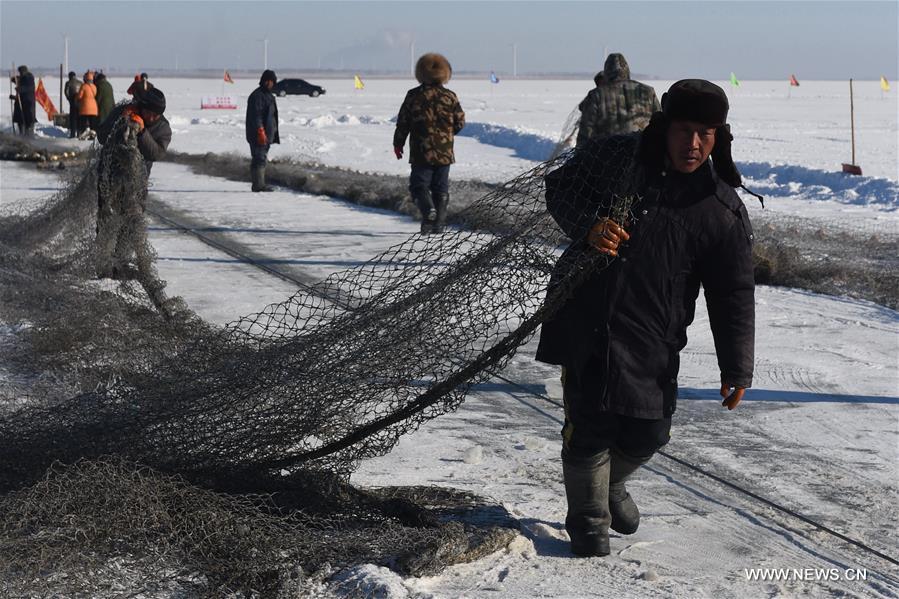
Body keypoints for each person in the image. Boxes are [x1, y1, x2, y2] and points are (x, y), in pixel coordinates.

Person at [536, 79, 755, 557]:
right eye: (683, 130)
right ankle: (589, 522)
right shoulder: (617, 158)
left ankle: (610, 488)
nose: (693, 144)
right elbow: (562, 188)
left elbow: (732, 294)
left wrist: (737, 367)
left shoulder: (720, 211)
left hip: (653, 337)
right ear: (663, 128)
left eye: (706, 133)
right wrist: (589, 225)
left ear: (720, 136)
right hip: (586, 319)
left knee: (649, 431)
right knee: (589, 428)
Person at [393, 52, 465, 234]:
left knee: (419, 186)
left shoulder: (413, 95)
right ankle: (438, 224)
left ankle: (428, 212)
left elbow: (403, 122)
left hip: (420, 150)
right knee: (440, 187)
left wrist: (398, 143)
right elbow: (460, 122)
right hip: (445, 151)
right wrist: (447, 136)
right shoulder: (450, 96)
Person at [575, 53, 660, 148]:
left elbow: (585, 133)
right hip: (641, 153)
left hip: (606, 157)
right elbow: (660, 124)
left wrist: (580, 156)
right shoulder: (648, 92)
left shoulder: (596, 95)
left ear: (606, 72)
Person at [97, 87, 171, 176]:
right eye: (147, 112)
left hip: (138, 178)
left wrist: (142, 132)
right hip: (109, 172)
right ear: (141, 107)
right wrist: (121, 120)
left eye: (155, 115)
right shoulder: (123, 110)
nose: (151, 118)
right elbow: (101, 137)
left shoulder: (163, 128)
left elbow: (156, 154)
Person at [245, 69, 280, 192]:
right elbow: (257, 116)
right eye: (272, 81)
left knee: (260, 158)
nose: (273, 84)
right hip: (258, 135)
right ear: (267, 81)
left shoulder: (268, 95)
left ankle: (258, 184)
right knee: (259, 158)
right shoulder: (258, 96)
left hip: (266, 134)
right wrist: (261, 131)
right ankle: (259, 185)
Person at [9, 65, 36, 137]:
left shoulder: (29, 77)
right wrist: (14, 97)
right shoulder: (22, 78)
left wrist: (20, 89)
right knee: (20, 122)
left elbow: (29, 87)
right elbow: (17, 80)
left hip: (28, 105)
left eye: (20, 72)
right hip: (21, 106)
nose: (19, 73)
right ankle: (22, 136)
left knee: (28, 122)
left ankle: (29, 137)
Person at [76, 71, 98, 135]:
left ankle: (82, 133)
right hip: (94, 107)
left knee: (83, 122)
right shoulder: (94, 86)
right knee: (92, 123)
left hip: (85, 107)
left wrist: (76, 98)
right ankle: (93, 134)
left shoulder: (84, 86)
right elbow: (95, 94)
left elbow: (80, 96)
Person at [64, 71, 82, 138]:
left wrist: (69, 99)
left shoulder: (68, 83)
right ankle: (79, 133)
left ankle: (72, 134)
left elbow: (66, 92)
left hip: (73, 102)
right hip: (80, 103)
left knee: (73, 119)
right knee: (79, 119)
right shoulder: (80, 83)